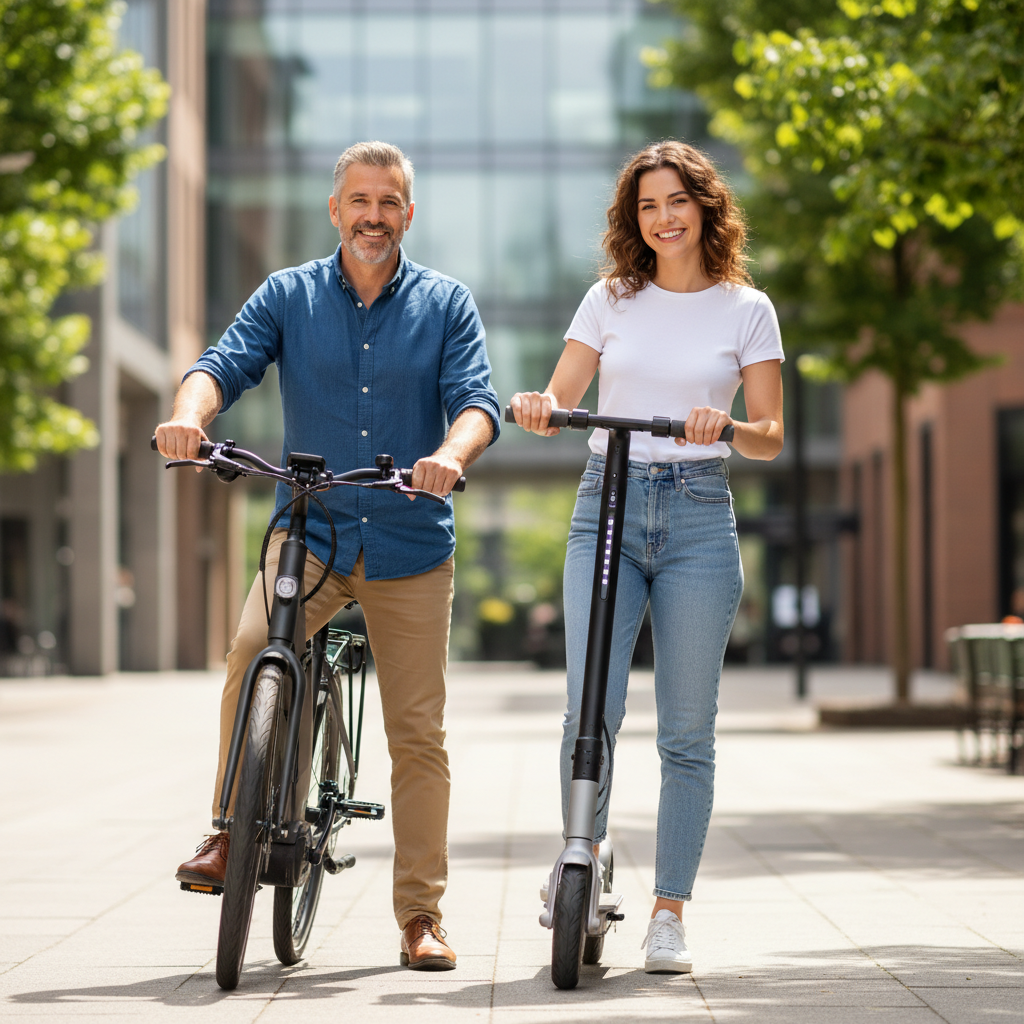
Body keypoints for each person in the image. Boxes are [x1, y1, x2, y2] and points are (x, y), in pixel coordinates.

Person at [156, 140, 500, 971]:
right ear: (336, 209)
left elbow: (477, 402)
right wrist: (189, 415)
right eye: (359, 201)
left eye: (388, 203)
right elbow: (220, 365)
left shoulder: (446, 303)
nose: (373, 217)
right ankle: (230, 831)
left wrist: (450, 454)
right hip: (309, 533)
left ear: (407, 213)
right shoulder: (289, 294)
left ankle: (421, 916)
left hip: (410, 542)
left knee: (416, 732)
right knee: (252, 649)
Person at [510, 140, 784, 974]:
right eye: (647, 206)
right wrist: (538, 407)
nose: (663, 219)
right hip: (609, 506)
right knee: (588, 708)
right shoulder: (610, 299)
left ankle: (668, 911)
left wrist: (726, 424)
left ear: (706, 208)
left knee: (686, 732)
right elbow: (562, 395)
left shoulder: (747, 308)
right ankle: (580, 857)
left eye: (676, 202)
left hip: (699, 516)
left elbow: (771, 435)